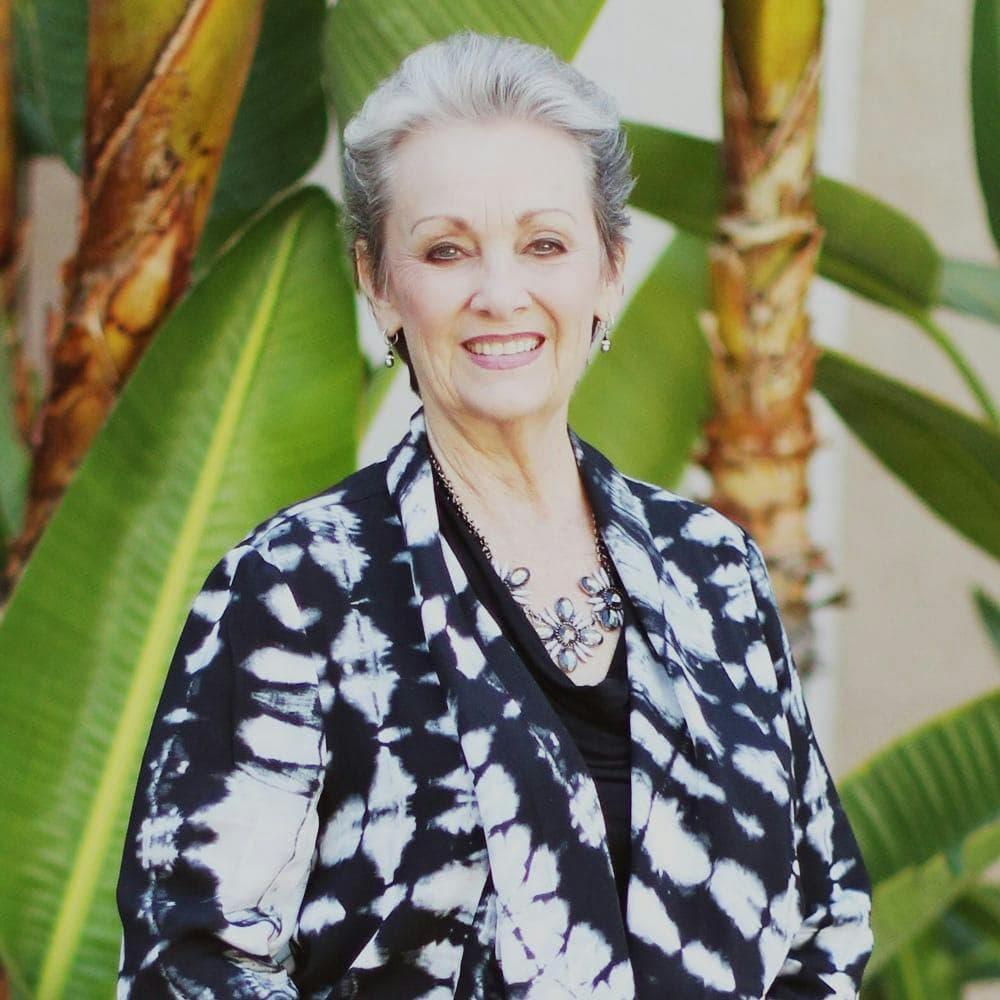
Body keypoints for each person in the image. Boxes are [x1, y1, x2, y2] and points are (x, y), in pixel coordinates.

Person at [116, 30, 873, 999]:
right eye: (446, 250)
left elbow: (826, 915)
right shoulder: (295, 591)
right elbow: (191, 965)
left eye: (544, 244)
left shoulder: (711, 569)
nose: (499, 293)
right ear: (379, 285)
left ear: (609, 269)